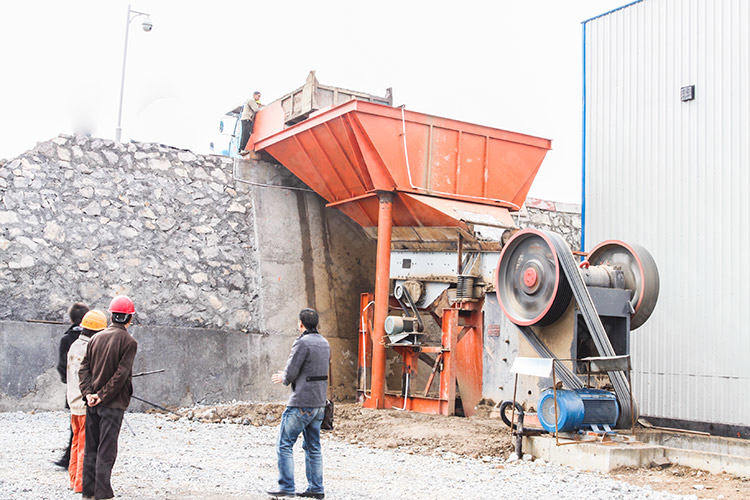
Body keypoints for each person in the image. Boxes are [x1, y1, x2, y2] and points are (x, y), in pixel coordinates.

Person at [79, 295, 138, 500]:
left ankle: (88, 491)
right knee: (107, 449)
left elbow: (83, 369)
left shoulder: (95, 338)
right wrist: (101, 396)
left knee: (91, 447)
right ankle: (102, 493)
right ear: (130, 318)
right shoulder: (130, 342)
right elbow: (121, 375)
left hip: (92, 403)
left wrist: (89, 394)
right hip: (113, 404)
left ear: (111, 316)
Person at [267, 308, 330, 499]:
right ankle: (316, 488)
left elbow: (292, 371)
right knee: (313, 447)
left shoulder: (302, 342)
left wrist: (284, 377)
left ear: (301, 324)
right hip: (319, 403)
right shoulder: (325, 342)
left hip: (301, 402)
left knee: (284, 444)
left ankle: (287, 487)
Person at [66, 310, 107, 493]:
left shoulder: (75, 345)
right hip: (85, 404)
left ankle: (73, 479)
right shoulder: (90, 348)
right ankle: (81, 483)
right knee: (86, 444)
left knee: (76, 442)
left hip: (73, 402)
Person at [55, 302, 89, 468]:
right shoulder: (94, 339)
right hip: (91, 389)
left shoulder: (67, 339)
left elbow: (62, 366)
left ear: (71, 319)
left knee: (75, 424)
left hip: (74, 389)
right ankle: (79, 459)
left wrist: (68, 381)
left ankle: (72, 458)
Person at [238, 90, 262, 155]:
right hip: (246, 119)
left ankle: (243, 149)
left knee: (247, 135)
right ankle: (241, 149)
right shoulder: (251, 101)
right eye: (258, 96)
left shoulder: (251, 101)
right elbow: (256, 109)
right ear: (254, 95)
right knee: (245, 134)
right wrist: (260, 107)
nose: (259, 98)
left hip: (247, 119)